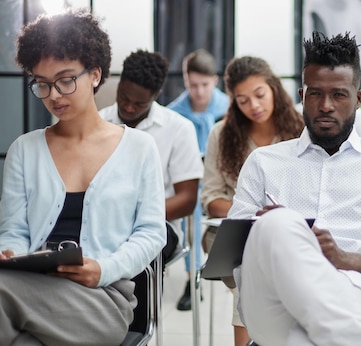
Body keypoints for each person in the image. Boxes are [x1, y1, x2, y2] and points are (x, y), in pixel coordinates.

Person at [227, 31, 361, 346]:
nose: (326, 106)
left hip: (359, 294)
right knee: (278, 222)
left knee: (304, 340)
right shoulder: (263, 162)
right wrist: (271, 237)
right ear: (301, 95)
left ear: (358, 98)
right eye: (315, 94)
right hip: (275, 303)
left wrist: (343, 259)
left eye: (339, 94)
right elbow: (226, 270)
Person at [0, 10, 166, 345]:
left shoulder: (140, 148)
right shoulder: (24, 150)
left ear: (94, 74)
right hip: (31, 288)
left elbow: (151, 233)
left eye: (65, 80)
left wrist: (103, 269)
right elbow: (14, 230)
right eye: (42, 84)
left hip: (102, 299)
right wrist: (11, 253)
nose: (54, 95)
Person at [200, 55, 304, 346]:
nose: (254, 106)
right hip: (229, 232)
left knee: (262, 267)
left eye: (259, 95)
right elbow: (211, 198)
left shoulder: (299, 131)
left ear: (274, 88)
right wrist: (252, 212)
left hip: (289, 230)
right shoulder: (222, 134)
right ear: (233, 101)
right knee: (248, 266)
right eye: (243, 100)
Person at [99, 50, 203, 269]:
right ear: (119, 84)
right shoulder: (99, 122)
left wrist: (130, 216)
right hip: (102, 222)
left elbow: (187, 199)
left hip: (159, 224)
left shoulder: (178, 128)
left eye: (139, 104)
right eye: (124, 98)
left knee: (135, 251)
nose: (128, 107)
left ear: (156, 95)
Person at [168, 49, 230, 310]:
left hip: (222, 181)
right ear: (185, 81)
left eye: (204, 85)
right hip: (190, 181)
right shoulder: (174, 113)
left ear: (214, 81)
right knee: (189, 225)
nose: (199, 91)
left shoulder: (230, 107)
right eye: (193, 85)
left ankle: (230, 274)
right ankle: (191, 279)